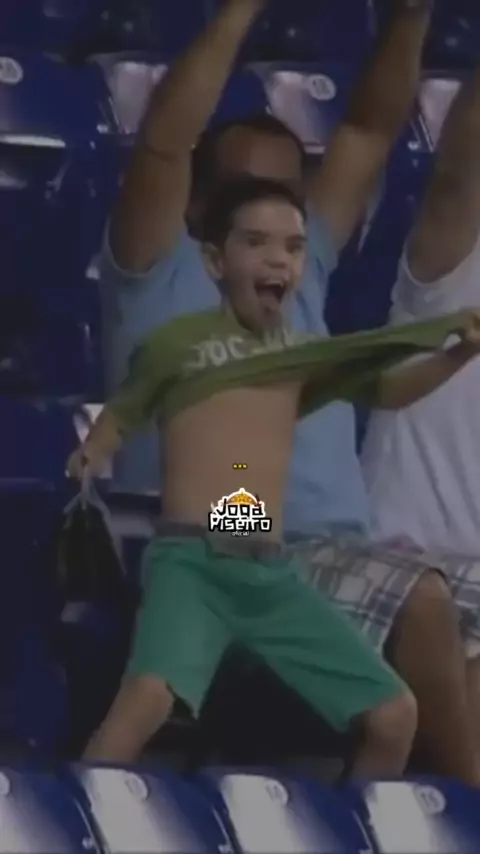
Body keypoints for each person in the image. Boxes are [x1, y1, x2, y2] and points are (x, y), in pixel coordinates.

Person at [99, 0, 480, 783]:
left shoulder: (298, 278)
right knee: (423, 600)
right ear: (201, 212)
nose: (274, 222)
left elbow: (366, 133)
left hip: (340, 552)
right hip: (224, 548)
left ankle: (387, 820)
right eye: (248, 198)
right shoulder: (156, 271)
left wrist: (410, 15)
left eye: (289, 200)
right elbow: (165, 141)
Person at [362, 67, 480, 755]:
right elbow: (460, 168)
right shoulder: (451, 270)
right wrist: (241, 529)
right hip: (393, 557)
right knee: (431, 601)